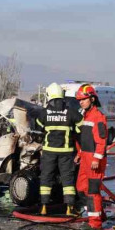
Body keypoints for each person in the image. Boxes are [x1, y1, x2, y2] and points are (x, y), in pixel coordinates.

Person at [36, 83, 83, 215]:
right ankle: (69, 208)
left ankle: (44, 207)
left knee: (46, 178)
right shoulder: (71, 113)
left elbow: (38, 130)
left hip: (49, 152)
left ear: (49, 96)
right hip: (66, 152)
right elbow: (81, 129)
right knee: (67, 179)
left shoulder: (44, 114)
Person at [74, 84, 108, 230]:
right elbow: (85, 139)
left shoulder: (98, 117)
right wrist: (80, 153)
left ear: (92, 99)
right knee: (81, 188)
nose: (81, 102)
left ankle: (95, 223)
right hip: (85, 158)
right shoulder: (86, 116)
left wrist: (96, 159)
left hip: (94, 160)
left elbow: (101, 140)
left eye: (84, 99)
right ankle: (98, 214)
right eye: (79, 100)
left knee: (93, 191)